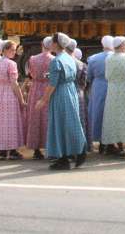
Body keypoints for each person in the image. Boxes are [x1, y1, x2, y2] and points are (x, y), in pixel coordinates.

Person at [36, 33, 87, 170]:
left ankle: (63, 157)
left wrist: (43, 100)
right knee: (72, 122)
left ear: (56, 44)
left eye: (52, 42)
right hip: (71, 91)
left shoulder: (56, 61)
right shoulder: (69, 58)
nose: (50, 45)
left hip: (60, 93)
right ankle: (79, 150)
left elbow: (53, 84)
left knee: (59, 124)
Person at [0, 40, 25, 160]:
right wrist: (21, 99)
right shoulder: (11, 64)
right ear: (5, 50)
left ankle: (2, 150)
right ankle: (12, 150)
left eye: (15, 50)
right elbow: (14, 83)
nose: (14, 52)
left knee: (1, 121)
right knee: (10, 121)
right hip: (9, 94)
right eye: (12, 50)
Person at [25, 37, 54, 160]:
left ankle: (36, 149)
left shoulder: (33, 59)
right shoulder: (53, 60)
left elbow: (31, 74)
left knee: (35, 118)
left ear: (42, 44)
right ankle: (50, 147)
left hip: (36, 88)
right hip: (48, 89)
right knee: (48, 118)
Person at [87, 35, 114, 152]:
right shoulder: (116, 57)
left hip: (98, 86)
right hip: (113, 86)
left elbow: (88, 76)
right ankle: (111, 141)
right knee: (112, 113)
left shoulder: (93, 58)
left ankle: (100, 141)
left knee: (98, 112)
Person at [70, 44, 88, 146]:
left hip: (67, 91)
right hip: (79, 93)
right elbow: (84, 83)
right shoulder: (82, 65)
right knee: (80, 119)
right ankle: (81, 145)